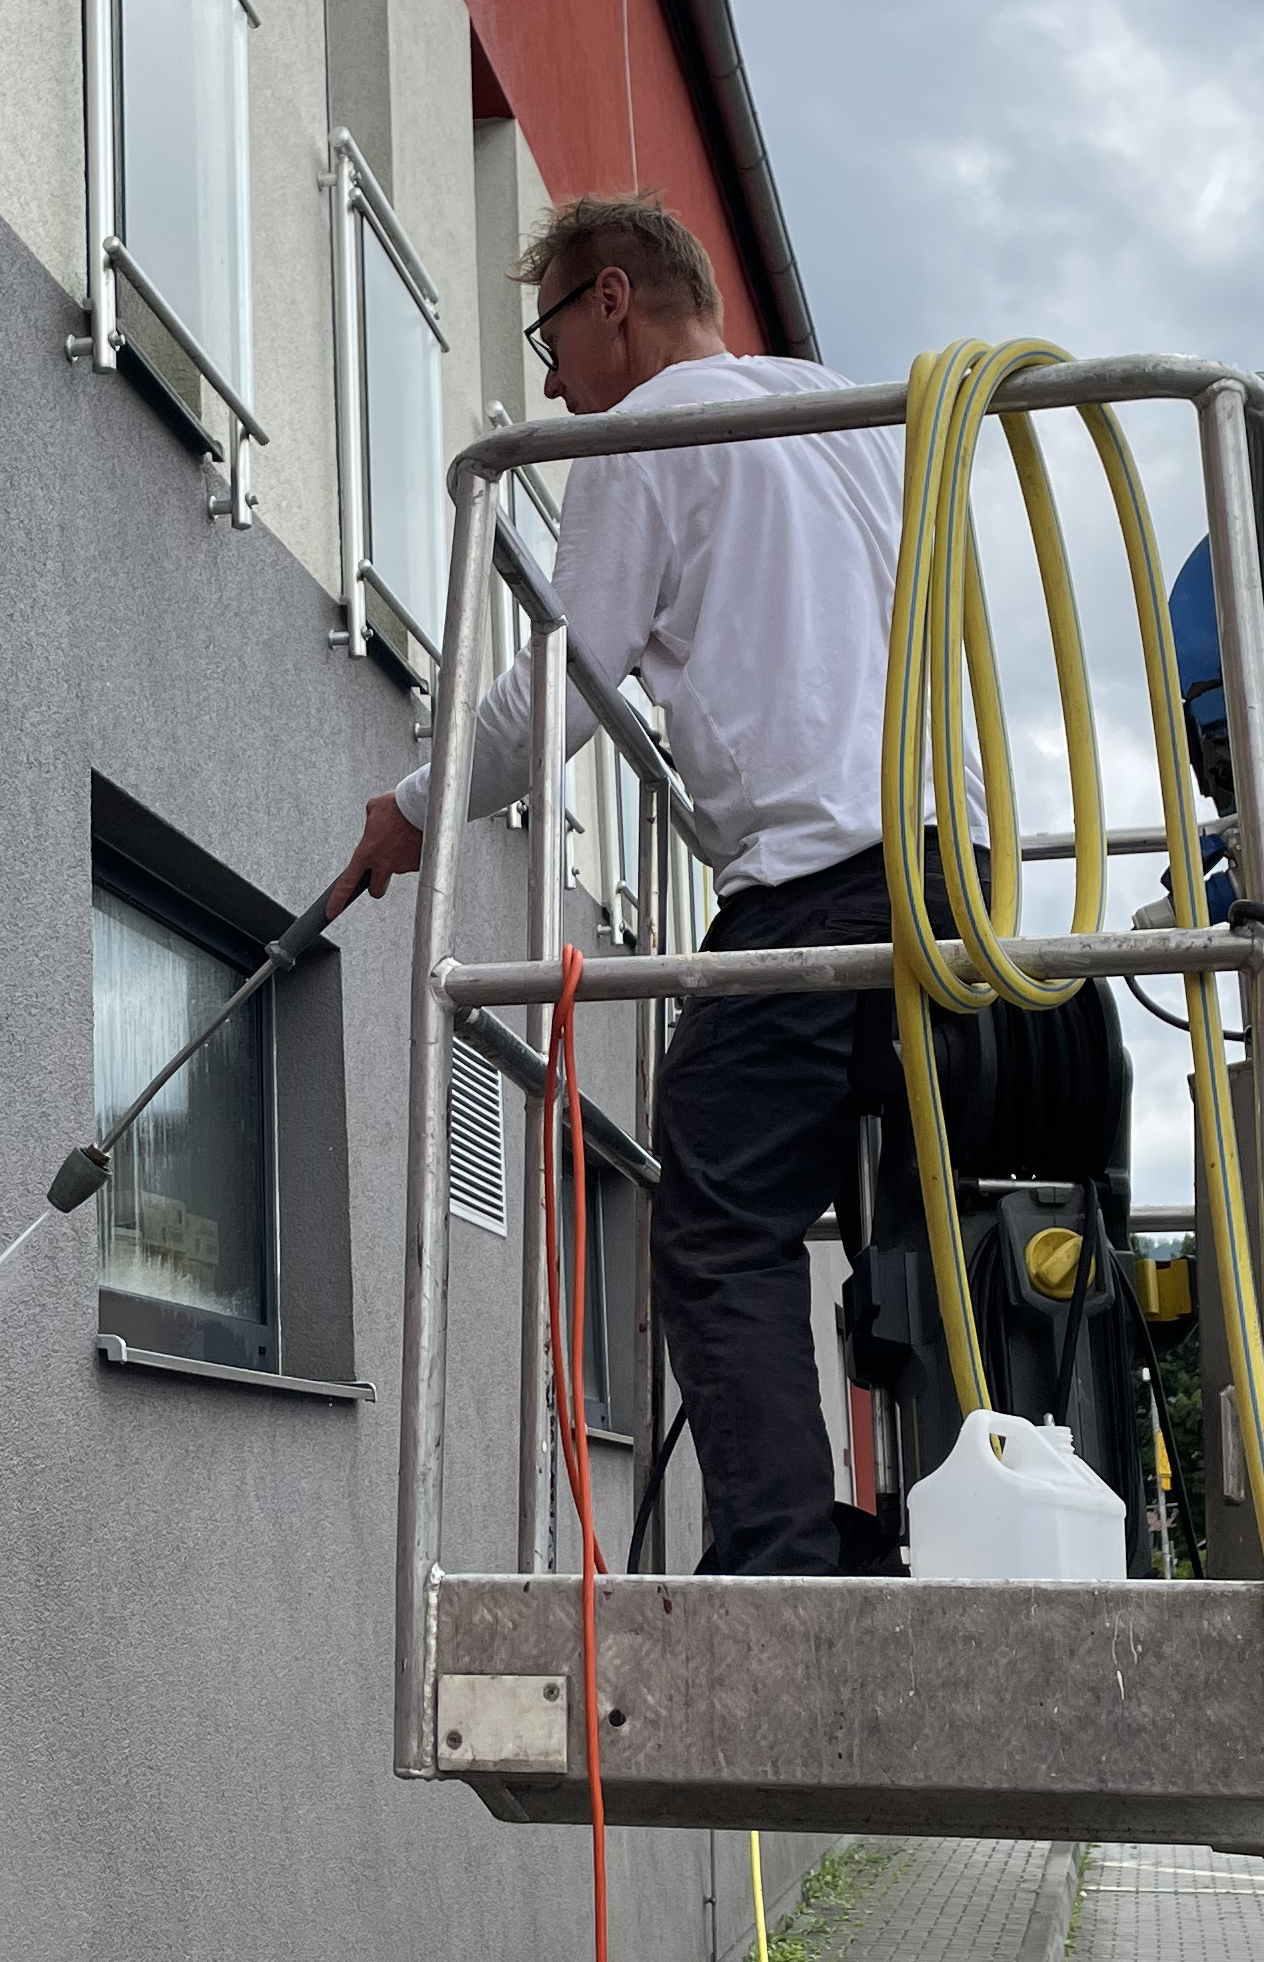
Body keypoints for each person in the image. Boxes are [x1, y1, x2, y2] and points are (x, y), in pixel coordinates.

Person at [330, 189, 964, 1577]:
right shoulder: (849, 414)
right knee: (932, 1234)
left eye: (550, 334)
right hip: (957, 893)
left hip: (814, 881)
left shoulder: (644, 435)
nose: (550, 379)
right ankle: (978, 1528)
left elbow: (557, 680)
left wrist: (414, 811)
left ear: (612, 299)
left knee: (718, 1216)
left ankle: (788, 1566)